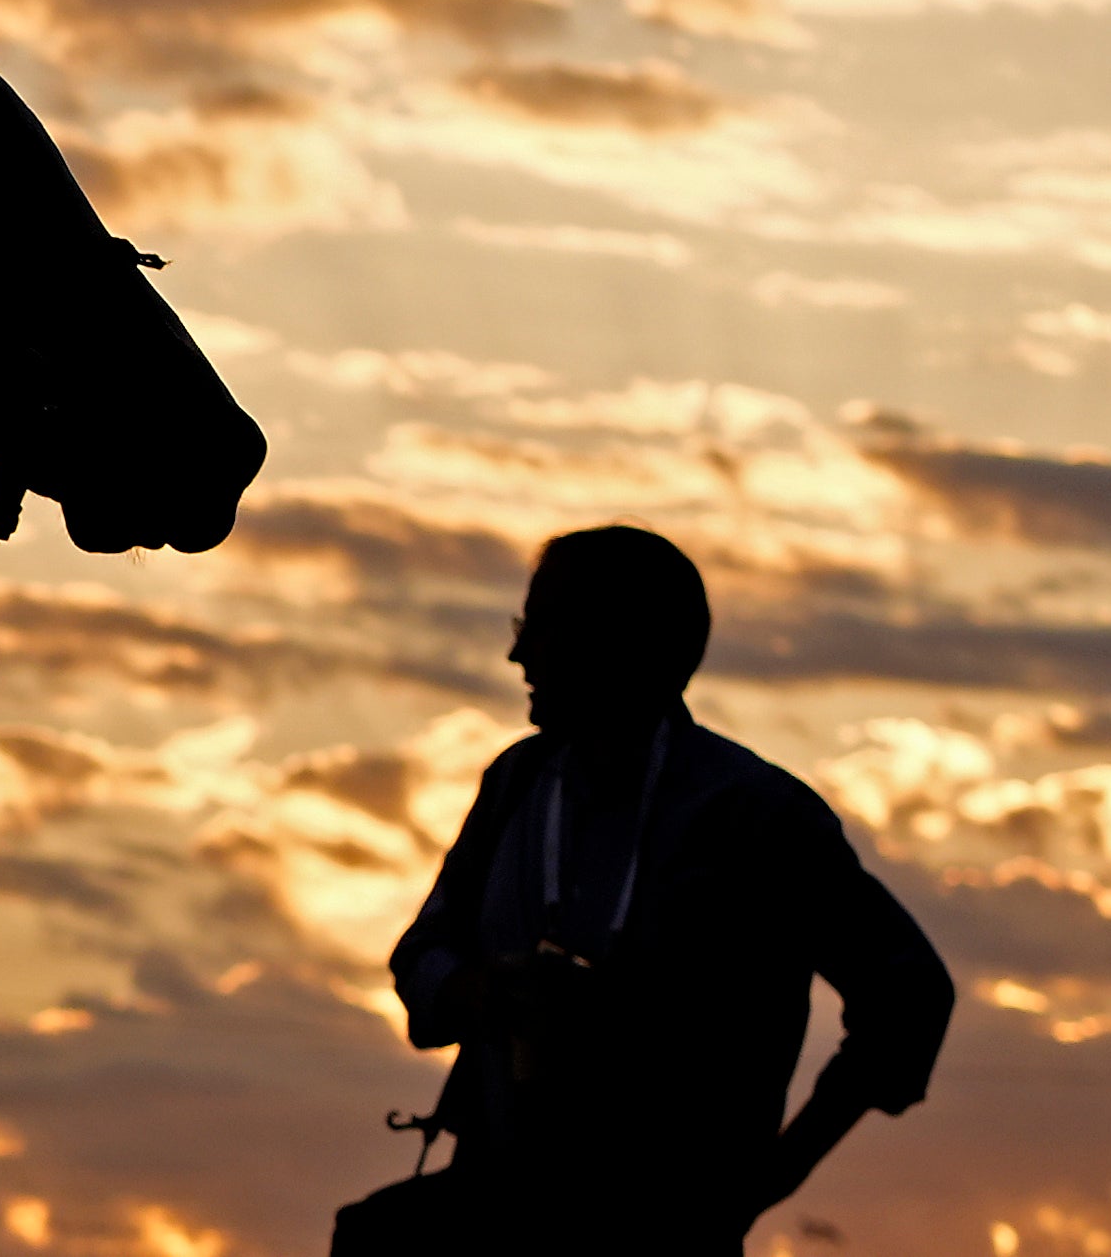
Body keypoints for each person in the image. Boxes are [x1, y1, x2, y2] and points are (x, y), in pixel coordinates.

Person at [342, 526, 952, 1255]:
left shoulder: (756, 814)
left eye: (541, 627)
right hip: (500, 1206)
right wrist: (481, 993)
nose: (518, 653)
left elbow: (908, 995)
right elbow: (422, 952)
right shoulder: (517, 783)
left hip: (660, 1224)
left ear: (622, 641)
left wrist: (765, 1181)